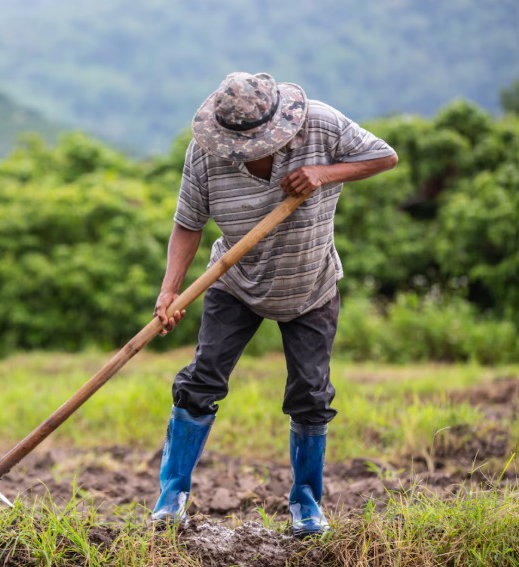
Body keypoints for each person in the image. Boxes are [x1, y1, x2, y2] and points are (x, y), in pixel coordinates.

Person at [150, 72, 398, 537]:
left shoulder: (322, 125)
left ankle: (306, 505)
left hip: (311, 284)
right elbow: (188, 223)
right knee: (201, 381)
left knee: (310, 393)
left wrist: (324, 173)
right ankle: (171, 499)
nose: (245, 152)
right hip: (234, 280)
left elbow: (384, 156)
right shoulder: (205, 154)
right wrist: (170, 290)